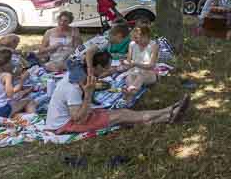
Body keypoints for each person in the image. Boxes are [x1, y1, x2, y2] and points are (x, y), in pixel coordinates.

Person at [46, 53, 189, 134]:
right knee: (121, 115)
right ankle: (169, 111)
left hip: (73, 118)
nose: (106, 73)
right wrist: (89, 94)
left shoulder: (79, 75)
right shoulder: (73, 88)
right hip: (64, 126)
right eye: (105, 69)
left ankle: (167, 116)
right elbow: (79, 119)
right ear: (96, 67)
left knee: (123, 115)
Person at [123, 25, 159, 101]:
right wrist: (125, 63)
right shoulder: (132, 44)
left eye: (137, 38)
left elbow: (151, 66)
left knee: (141, 76)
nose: (135, 40)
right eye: (133, 38)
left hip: (149, 73)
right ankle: (131, 92)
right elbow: (128, 61)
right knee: (129, 76)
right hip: (134, 71)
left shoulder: (153, 46)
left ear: (145, 36)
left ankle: (129, 93)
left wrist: (136, 64)